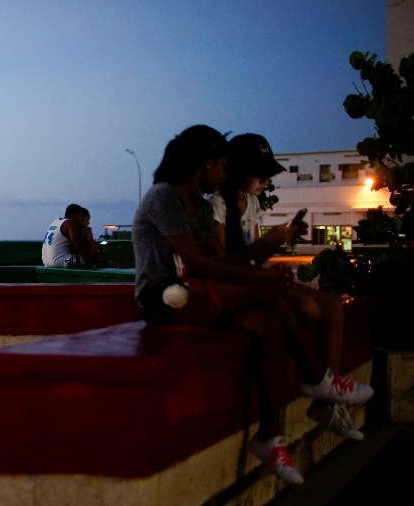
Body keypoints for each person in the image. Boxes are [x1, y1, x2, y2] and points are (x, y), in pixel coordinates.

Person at [132, 125, 372, 485]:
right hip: (163, 299)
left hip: (197, 292)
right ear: (205, 162)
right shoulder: (164, 196)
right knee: (269, 293)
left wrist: (261, 267)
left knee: (268, 327)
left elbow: (221, 262)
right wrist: (262, 278)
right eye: (222, 166)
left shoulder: (195, 203)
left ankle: (269, 438)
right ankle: (315, 377)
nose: (225, 174)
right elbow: (195, 260)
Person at [210, 133, 361, 441]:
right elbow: (222, 263)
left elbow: (254, 256)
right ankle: (315, 386)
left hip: (254, 277)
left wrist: (281, 239)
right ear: (237, 169)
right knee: (308, 308)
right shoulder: (216, 205)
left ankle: (326, 401)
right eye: (259, 172)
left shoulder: (251, 201)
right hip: (237, 287)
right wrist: (269, 242)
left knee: (331, 306)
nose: (266, 180)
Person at [41, 204, 100, 268]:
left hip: (46, 261)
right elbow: (79, 245)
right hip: (59, 261)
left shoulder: (56, 221)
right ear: (74, 215)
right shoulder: (70, 224)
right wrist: (91, 262)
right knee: (87, 231)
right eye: (80, 215)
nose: (81, 218)